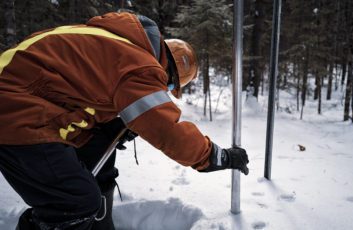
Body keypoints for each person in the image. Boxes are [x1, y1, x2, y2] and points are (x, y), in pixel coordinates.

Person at [0, 12, 249, 230]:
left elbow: (79, 90)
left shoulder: (115, 41)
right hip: (17, 113)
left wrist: (111, 123)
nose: (166, 88)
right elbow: (165, 129)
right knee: (75, 203)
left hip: (19, 99)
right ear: (167, 72)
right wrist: (215, 156)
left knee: (91, 163)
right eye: (170, 85)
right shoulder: (141, 66)